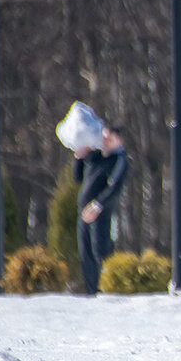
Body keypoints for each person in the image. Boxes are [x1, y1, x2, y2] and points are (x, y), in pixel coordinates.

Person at [73, 124, 129, 294]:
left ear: (118, 141)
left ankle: (105, 290)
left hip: (101, 213)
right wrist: (78, 158)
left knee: (101, 252)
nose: (104, 141)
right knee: (86, 254)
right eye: (104, 137)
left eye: (109, 138)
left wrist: (98, 205)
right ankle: (91, 292)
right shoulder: (95, 157)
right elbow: (78, 178)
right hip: (84, 213)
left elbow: (115, 187)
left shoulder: (119, 160)